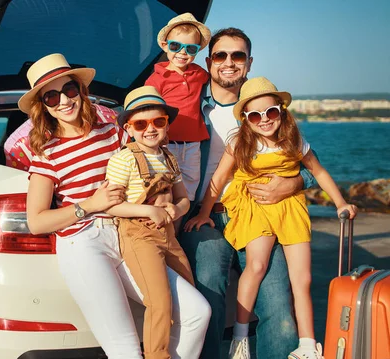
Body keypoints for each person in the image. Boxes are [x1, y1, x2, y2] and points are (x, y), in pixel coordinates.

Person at [22, 53, 210, 359]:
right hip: (83, 245)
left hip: (130, 233)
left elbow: (148, 159)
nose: (63, 101)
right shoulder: (47, 153)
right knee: (125, 349)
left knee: (197, 313)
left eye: (69, 90)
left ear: (81, 91)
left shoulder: (112, 132)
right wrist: (89, 205)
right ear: (43, 106)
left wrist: (167, 201)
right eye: (51, 97)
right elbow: (37, 221)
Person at [186, 77, 358, 359]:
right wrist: (205, 212)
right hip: (255, 209)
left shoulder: (295, 141)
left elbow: (319, 172)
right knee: (256, 265)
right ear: (246, 119)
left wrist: (341, 202)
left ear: (281, 110)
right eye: (255, 115)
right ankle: (240, 338)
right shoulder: (241, 142)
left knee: (302, 279)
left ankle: (307, 345)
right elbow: (218, 179)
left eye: (271, 112)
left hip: (290, 209)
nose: (264, 119)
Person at [178, 28, 318, 359]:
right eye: (221, 56)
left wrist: (296, 183)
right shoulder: (188, 107)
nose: (229, 63)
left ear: (249, 62)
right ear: (209, 62)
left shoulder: (267, 109)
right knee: (208, 295)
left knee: (280, 310)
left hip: (262, 215)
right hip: (209, 216)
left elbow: (307, 164)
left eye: (237, 55)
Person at [105, 86, 210, 359]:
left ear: (166, 124)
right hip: (139, 237)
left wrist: (176, 209)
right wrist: (150, 212)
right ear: (129, 129)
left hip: (168, 236)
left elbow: (184, 199)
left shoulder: (168, 158)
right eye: (141, 124)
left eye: (158, 122)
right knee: (160, 303)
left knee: (189, 295)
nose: (150, 129)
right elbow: (112, 204)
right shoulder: (123, 159)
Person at [146, 13, 211, 211]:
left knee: (189, 189)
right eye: (176, 46)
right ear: (165, 46)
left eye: (191, 49)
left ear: (197, 51)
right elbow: (149, 111)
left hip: (192, 145)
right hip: (166, 143)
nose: (183, 53)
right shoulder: (156, 79)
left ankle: (178, 231)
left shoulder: (199, 74)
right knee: (164, 189)